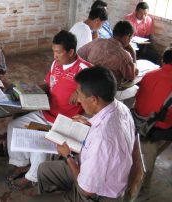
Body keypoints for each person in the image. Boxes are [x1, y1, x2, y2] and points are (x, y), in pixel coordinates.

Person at [31, 66, 135, 202]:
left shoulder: (102, 139)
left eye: (79, 94)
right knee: (44, 169)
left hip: (98, 194)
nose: (78, 99)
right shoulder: (120, 107)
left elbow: (87, 190)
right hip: (94, 170)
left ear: (93, 100)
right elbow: (105, 125)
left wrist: (68, 156)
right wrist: (89, 122)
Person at [6, 30, 92, 190]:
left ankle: (33, 177)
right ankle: (22, 163)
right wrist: (30, 89)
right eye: (53, 51)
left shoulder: (85, 70)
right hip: (46, 112)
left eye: (58, 52)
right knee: (13, 126)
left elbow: (97, 92)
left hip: (65, 121)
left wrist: (80, 92)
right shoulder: (56, 64)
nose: (55, 56)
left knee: (39, 143)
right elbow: (48, 83)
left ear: (71, 52)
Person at [134, 46, 172, 189]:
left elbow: (139, 97)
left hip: (139, 120)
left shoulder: (149, 75)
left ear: (163, 61)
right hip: (156, 128)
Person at [78, 21, 138, 89]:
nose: (129, 41)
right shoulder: (124, 56)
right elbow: (131, 77)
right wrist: (133, 53)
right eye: (130, 38)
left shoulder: (96, 42)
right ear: (126, 37)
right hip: (108, 92)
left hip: (88, 86)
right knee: (136, 89)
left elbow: (79, 54)